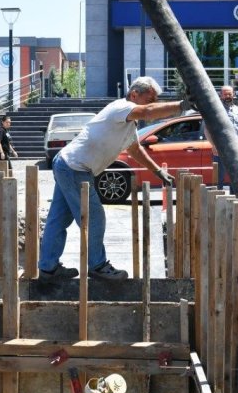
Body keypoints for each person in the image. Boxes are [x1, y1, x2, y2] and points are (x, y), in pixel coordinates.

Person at [39, 76, 190, 281]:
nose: (152, 105)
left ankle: (48, 268)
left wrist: (157, 171)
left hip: (69, 164)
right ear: (134, 94)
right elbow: (148, 112)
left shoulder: (129, 125)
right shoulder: (121, 107)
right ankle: (97, 266)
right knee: (94, 217)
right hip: (75, 167)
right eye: (150, 99)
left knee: (59, 219)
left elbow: (135, 150)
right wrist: (181, 106)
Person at [208, 85, 238, 192]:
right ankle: (216, 204)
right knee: (218, 179)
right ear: (220, 95)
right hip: (220, 150)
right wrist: (214, 145)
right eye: (225, 94)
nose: (228, 96)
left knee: (236, 178)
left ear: (233, 94)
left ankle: (235, 203)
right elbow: (207, 130)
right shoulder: (214, 110)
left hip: (236, 150)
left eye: (230, 94)